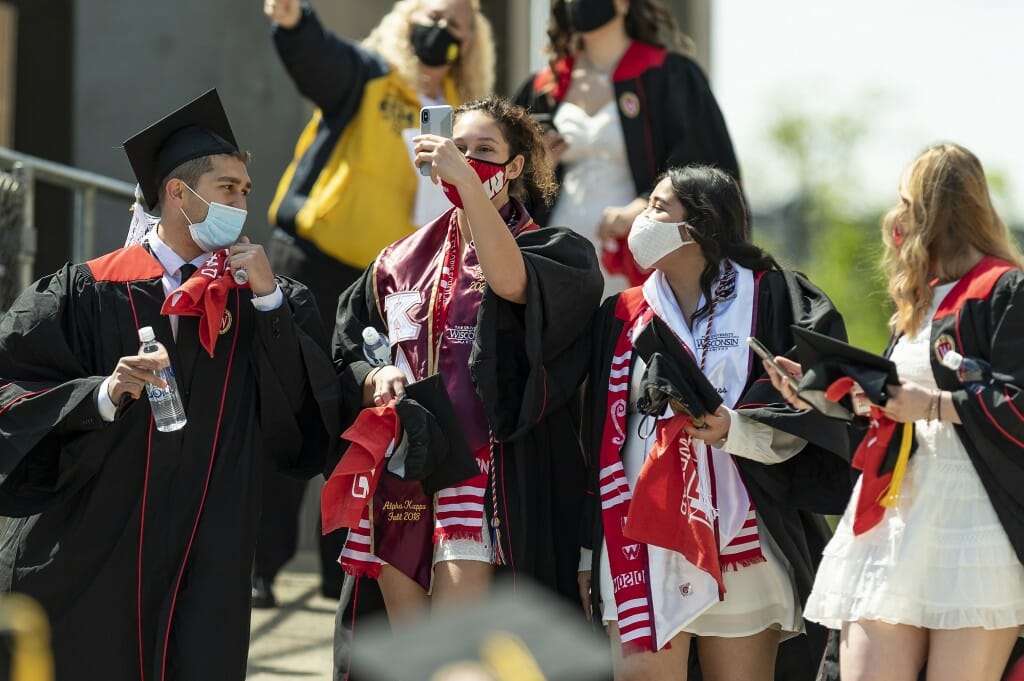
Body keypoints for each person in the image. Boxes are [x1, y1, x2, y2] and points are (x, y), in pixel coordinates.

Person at [0, 90, 338, 680]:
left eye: (245, 191)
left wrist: (269, 301)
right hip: (101, 544)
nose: (241, 203)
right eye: (227, 189)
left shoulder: (262, 298)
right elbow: (10, 381)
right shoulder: (89, 291)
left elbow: (303, 413)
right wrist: (102, 395)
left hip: (211, 551)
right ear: (179, 195)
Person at [258, 0, 496, 606]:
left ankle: (341, 569)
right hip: (315, 261)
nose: (442, 32)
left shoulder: (465, 120)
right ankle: (263, 564)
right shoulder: (368, 75)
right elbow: (322, 62)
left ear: (473, 45)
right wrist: (295, 22)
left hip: (395, 286)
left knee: (368, 419)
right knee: (290, 407)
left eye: (458, 27)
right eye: (434, 16)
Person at [331, 97, 602, 626]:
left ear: (515, 166)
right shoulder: (397, 261)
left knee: (455, 645)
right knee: (413, 656)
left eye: (484, 150)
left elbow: (513, 283)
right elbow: (348, 352)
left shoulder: (553, 248)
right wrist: (375, 375)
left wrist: (471, 187)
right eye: (458, 147)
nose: (468, 158)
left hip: (480, 474)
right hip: (401, 471)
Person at [583, 165, 853, 680]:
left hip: (742, 535)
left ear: (700, 225)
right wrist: (583, 546)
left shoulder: (773, 296)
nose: (643, 218)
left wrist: (735, 427)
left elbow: (819, 400)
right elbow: (595, 437)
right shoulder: (622, 314)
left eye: (659, 207)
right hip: (640, 538)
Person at [766, 143, 1024, 681]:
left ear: (936, 208)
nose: (894, 215)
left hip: (974, 522)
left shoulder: (1005, 290)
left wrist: (933, 404)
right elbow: (889, 411)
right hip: (894, 512)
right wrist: (819, 391)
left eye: (905, 200)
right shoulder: (918, 300)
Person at [514, 0, 741, 294]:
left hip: (639, 249)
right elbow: (509, 172)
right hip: (561, 249)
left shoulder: (668, 75)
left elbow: (702, 163)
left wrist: (643, 206)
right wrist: (538, 166)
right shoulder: (544, 87)